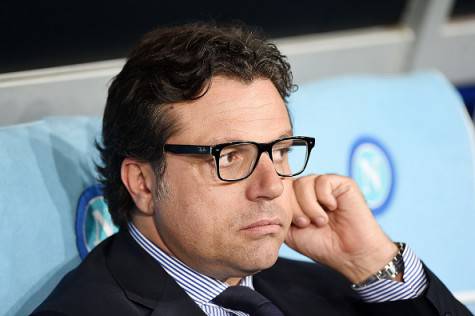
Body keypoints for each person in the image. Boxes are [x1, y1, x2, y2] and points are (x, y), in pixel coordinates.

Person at [32, 22, 471, 316]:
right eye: (230, 157)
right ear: (143, 183)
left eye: (279, 151)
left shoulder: (324, 286)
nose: (271, 186)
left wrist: (371, 262)